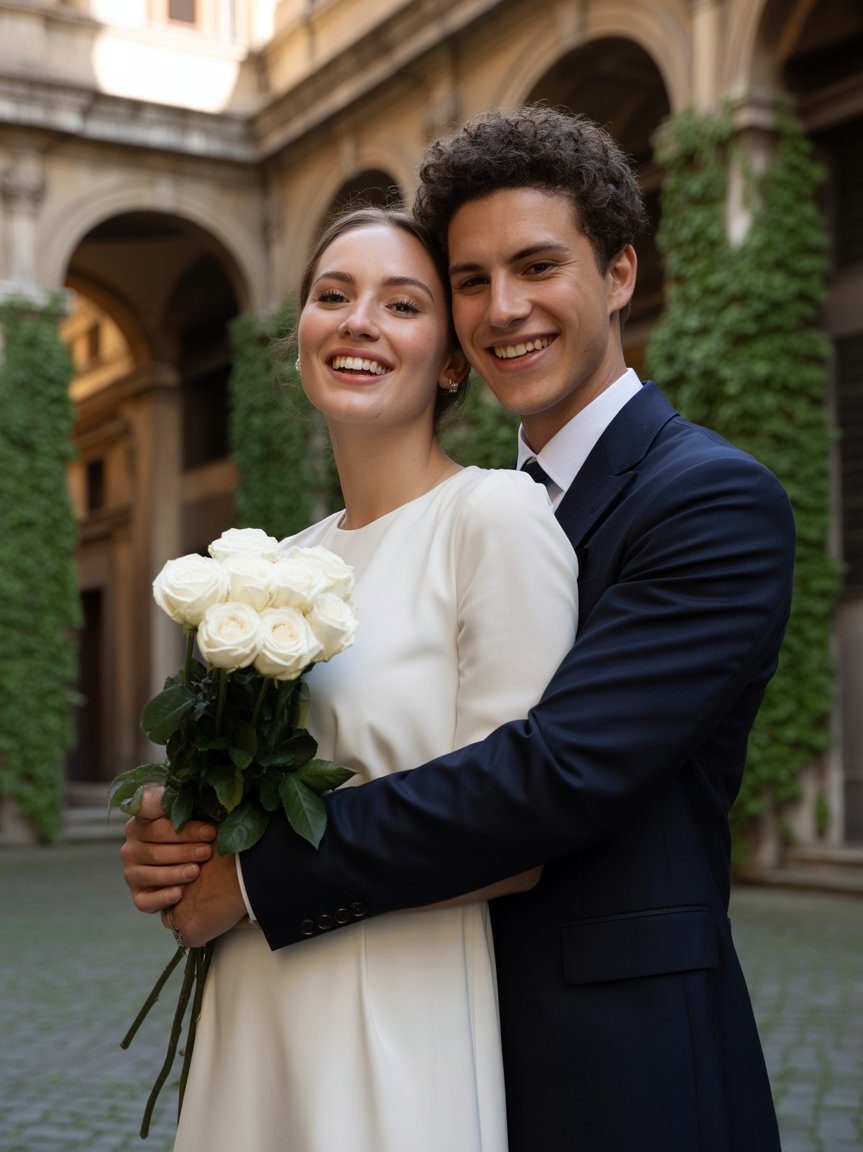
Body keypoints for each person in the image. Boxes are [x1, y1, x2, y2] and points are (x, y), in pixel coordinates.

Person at [123, 107, 794, 1151]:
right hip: (407, 1011)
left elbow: (551, 773)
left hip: (615, 1056)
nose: (504, 309)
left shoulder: (707, 498)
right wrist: (187, 829)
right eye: (472, 280)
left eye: (536, 267)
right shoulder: (452, 510)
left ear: (620, 273)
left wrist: (253, 878)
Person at [158, 205, 580, 1152]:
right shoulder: (273, 562)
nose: (358, 322)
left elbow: (520, 826)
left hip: (394, 1006)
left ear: (452, 359)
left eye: (402, 303)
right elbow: (241, 793)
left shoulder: (495, 516)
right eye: (333, 296)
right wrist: (175, 832)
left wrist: (252, 884)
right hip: (250, 997)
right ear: (299, 335)